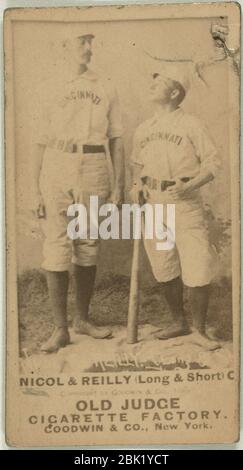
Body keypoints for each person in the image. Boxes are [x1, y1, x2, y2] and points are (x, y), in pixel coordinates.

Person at [31, 31, 124, 352]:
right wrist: (34, 190)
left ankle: (81, 319)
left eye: (91, 42)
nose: (88, 48)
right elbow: (39, 140)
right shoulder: (49, 84)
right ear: (63, 45)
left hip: (95, 163)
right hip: (57, 164)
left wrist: (119, 184)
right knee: (56, 244)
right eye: (80, 42)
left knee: (86, 243)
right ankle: (60, 329)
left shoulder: (104, 84)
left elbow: (116, 138)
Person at [130, 66, 221, 350]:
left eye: (159, 83)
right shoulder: (144, 128)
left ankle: (200, 331)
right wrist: (137, 185)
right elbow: (137, 165)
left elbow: (213, 163)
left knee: (197, 265)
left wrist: (190, 185)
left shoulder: (192, 124)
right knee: (163, 265)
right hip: (154, 202)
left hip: (184, 201)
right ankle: (178, 322)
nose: (151, 86)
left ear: (173, 92)